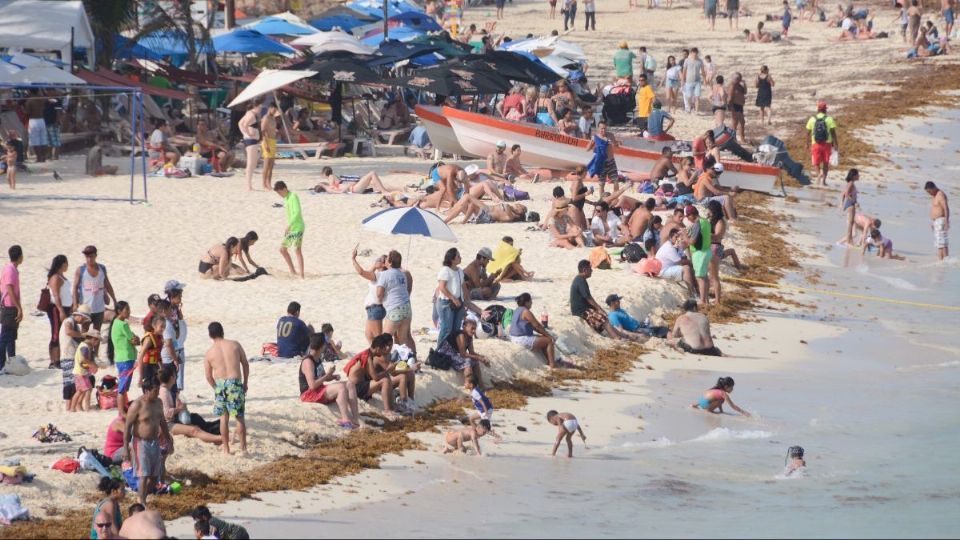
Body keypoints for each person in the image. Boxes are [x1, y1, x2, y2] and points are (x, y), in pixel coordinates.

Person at [123, 376, 172, 507]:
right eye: (155, 391)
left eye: (157, 390)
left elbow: (162, 422)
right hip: (140, 442)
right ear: (146, 391)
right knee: (143, 474)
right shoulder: (137, 405)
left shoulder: (159, 402)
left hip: (154, 442)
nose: (157, 393)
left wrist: (168, 441)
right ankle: (141, 501)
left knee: (154, 476)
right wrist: (126, 449)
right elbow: (127, 427)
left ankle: (142, 496)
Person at [204, 322, 249, 455]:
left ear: (210, 335)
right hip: (235, 383)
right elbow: (245, 364)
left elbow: (208, 376)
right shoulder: (235, 345)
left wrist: (216, 388)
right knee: (239, 418)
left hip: (220, 384)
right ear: (222, 331)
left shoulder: (209, 353)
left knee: (224, 419)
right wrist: (245, 383)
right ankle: (243, 449)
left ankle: (226, 449)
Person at [300, 334, 360, 429]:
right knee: (341, 387)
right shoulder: (308, 362)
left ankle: (356, 420)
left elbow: (321, 377)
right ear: (322, 346)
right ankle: (345, 419)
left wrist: (331, 376)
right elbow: (312, 385)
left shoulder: (317, 358)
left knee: (350, 384)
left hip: (318, 389)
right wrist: (327, 376)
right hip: (309, 394)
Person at [343, 333, 407, 418]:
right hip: (356, 388)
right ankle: (387, 410)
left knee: (386, 377)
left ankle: (392, 407)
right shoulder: (367, 357)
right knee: (385, 380)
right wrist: (388, 369)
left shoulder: (368, 354)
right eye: (383, 349)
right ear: (378, 348)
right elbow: (375, 377)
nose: (385, 352)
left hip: (360, 384)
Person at [158, 365, 223, 444]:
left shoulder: (166, 390)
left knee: (195, 423)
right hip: (167, 425)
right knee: (194, 430)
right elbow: (167, 414)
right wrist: (180, 408)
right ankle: (222, 438)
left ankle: (219, 436)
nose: (176, 377)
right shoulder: (164, 392)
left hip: (170, 422)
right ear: (171, 378)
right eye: (176, 375)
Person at [73, 245, 117, 342]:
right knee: (84, 332)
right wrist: (75, 304)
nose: (89, 259)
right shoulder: (80, 270)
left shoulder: (102, 268)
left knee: (97, 333)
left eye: (91, 256)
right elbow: (75, 288)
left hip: (99, 308)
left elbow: (107, 284)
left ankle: (95, 356)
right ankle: (83, 354)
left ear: (95, 255)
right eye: (87, 256)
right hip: (85, 308)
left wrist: (114, 299)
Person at [377, 251, 416, 357]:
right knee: (405, 338)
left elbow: (379, 293)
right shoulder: (403, 274)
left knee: (385, 338)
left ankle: (383, 363)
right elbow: (406, 291)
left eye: (387, 258)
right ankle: (414, 361)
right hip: (407, 308)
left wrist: (380, 301)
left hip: (395, 309)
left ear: (389, 262)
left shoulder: (385, 274)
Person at [509, 292, 558, 368]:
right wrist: (549, 335)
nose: (531, 303)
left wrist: (544, 334)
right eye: (530, 301)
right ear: (526, 302)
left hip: (513, 337)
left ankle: (548, 361)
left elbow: (534, 327)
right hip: (520, 339)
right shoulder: (526, 312)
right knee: (549, 341)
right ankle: (552, 365)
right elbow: (537, 326)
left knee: (543, 338)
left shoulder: (517, 310)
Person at [353, 248, 387, 344]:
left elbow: (361, 272)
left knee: (378, 339)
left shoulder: (380, 275)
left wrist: (353, 259)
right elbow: (368, 273)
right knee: (369, 335)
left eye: (379, 260)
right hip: (373, 309)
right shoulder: (379, 274)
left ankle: (381, 357)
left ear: (384, 264)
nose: (376, 260)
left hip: (376, 308)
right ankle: (376, 356)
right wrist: (375, 266)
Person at [111, 301, 140, 415]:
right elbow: (134, 339)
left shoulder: (116, 323)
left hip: (121, 357)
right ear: (119, 311)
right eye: (126, 309)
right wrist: (136, 339)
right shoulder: (123, 324)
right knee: (122, 387)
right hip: (126, 358)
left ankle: (122, 409)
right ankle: (121, 412)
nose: (129, 312)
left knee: (123, 387)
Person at [44, 254, 71, 369]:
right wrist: (61, 311)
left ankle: (58, 359)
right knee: (55, 333)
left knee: (61, 333)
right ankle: (53, 361)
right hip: (56, 308)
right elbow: (56, 295)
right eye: (66, 263)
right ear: (62, 264)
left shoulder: (61, 277)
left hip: (65, 308)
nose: (67, 266)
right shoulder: (55, 278)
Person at [436, 248, 467, 347]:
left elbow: (462, 287)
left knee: (456, 328)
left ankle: (451, 350)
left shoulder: (460, 271)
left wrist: (465, 301)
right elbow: (442, 287)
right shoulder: (445, 270)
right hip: (446, 303)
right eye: (458, 256)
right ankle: (439, 351)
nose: (460, 257)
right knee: (446, 328)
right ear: (452, 259)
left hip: (458, 302)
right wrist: (453, 298)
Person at [274, 181, 305, 279]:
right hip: (292, 228)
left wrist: (289, 225)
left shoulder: (293, 196)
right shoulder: (286, 199)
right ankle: (293, 271)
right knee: (283, 250)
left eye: (280, 193)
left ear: (284, 189)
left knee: (297, 250)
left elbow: (297, 212)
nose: (279, 195)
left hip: (298, 227)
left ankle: (302, 275)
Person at [684, 205, 713, 305]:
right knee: (704, 276)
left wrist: (684, 236)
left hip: (699, 253)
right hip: (707, 251)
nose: (687, 218)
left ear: (692, 215)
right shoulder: (705, 221)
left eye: (688, 216)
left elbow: (692, 241)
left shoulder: (697, 223)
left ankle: (702, 300)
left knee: (700, 278)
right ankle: (706, 299)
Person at [805, 101, 838, 187]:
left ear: (818, 109)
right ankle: (823, 181)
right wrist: (836, 144)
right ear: (825, 110)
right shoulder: (829, 119)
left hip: (815, 144)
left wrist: (807, 143)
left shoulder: (812, 119)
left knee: (816, 162)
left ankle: (819, 174)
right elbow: (833, 133)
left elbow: (808, 133)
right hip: (827, 144)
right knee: (826, 163)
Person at [442, 193, 528, 224]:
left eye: (521, 207)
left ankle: (460, 220)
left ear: (520, 213)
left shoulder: (511, 216)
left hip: (487, 215)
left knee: (470, 201)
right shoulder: (510, 209)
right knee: (465, 202)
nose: (519, 205)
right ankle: (446, 220)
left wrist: (512, 209)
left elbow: (507, 211)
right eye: (520, 204)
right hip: (486, 209)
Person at [707, 199, 743, 273]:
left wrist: (705, 234)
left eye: (709, 210)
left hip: (716, 247)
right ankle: (740, 267)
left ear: (713, 210)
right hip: (710, 246)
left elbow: (717, 236)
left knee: (731, 251)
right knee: (731, 251)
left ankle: (740, 268)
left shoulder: (720, 222)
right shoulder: (712, 219)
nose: (708, 211)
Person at [71, 329, 100, 412]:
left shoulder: (84, 345)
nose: (97, 343)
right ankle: (82, 407)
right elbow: (84, 360)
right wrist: (93, 365)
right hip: (80, 372)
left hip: (80, 372)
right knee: (87, 389)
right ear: (93, 339)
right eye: (97, 341)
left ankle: (75, 407)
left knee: (80, 391)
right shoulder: (84, 347)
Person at [586, 121, 618, 195]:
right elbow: (587, 149)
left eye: (604, 128)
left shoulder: (610, 135)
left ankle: (615, 198)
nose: (603, 130)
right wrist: (592, 142)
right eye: (601, 129)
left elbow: (617, 146)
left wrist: (614, 143)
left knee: (615, 181)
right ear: (598, 129)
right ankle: (601, 200)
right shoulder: (595, 137)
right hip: (601, 163)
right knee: (601, 183)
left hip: (611, 161)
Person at [313, 167, 396, 194]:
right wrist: (349, 185)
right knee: (372, 173)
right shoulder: (329, 186)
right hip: (354, 188)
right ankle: (384, 191)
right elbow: (340, 192)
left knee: (375, 185)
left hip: (354, 187)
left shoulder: (330, 183)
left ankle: (398, 189)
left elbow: (337, 187)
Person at [138, 315, 165, 390]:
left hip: (154, 366)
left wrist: (162, 368)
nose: (163, 329)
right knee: (149, 391)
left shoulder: (159, 337)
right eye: (161, 326)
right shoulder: (149, 339)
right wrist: (140, 376)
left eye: (164, 327)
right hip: (146, 368)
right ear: (154, 326)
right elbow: (140, 357)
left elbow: (158, 355)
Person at [238, 101, 260, 191]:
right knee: (251, 163)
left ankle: (249, 185)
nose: (261, 108)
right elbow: (245, 124)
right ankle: (248, 185)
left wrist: (244, 133)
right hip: (251, 140)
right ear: (255, 106)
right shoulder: (251, 115)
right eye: (260, 107)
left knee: (252, 163)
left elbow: (240, 123)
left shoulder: (248, 113)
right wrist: (247, 133)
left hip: (250, 139)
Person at [925, 181, 950, 260]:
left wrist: (946, 221)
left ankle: (946, 260)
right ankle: (941, 261)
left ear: (933, 188)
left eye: (929, 191)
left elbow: (946, 208)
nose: (929, 193)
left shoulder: (940, 195)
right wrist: (933, 222)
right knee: (939, 244)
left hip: (941, 221)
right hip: (936, 222)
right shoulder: (934, 195)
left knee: (943, 243)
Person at [260, 103, 280, 191]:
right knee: (266, 164)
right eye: (274, 110)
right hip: (267, 141)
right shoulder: (265, 118)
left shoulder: (273, 118)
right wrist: (266, 144)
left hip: (273, 141)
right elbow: (263, 132)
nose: (275, 111)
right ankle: (264, 184)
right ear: (270, 108)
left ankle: (269, 183)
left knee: (271, 165)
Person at [24, 89, 49, 162]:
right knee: (43, 139)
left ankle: (39, 157)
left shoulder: (29, 101)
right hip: (42, 120)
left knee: (35, 140)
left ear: (30, 91)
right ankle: (43, 157)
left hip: (33, 120)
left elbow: (28, 113)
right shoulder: (42, 99)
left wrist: (23, 111)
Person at [680, 48, 707, 113]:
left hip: (697, 81)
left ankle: (696, 111)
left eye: (696, 53)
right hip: (688, 81)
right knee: (689, 96)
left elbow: (703, 71)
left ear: (697, 53)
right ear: (691, 53)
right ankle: (689, 108)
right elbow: (684, 71)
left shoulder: (700, 61)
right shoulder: (687, 60)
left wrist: (705, 80)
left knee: (697, 96)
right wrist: (683, 80)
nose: (695, 55)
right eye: (694, 53)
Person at [838, 168, 860, 246]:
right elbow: (846, 194)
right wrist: (854, 202)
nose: (859, 176)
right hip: (850, 204)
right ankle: (848, 241)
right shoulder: (851, 183)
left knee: (851, 223)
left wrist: (841, 203)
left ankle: (850, 240)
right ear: (854, 176)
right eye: (858, 174)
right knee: (850, 224)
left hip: (850, 204)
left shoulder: (851, 183)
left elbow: (843, 193)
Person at [727, 72, 747, 143]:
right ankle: (741, 138)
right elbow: (729, 97)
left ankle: (733, 138)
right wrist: (729, 106)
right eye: (739, 79)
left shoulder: (738, 85)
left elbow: (744, 92)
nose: (740, 80)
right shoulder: (732, 85)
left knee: (735, 123)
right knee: (740, 122)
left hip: (739, 105)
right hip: (735, 105)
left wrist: (744, 84)